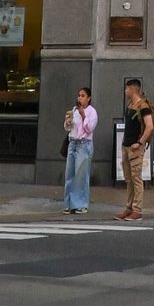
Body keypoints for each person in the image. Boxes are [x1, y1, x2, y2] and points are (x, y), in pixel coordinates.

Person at [118, 77, 154, 223]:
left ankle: (137, 210)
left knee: (136, 178)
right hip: (126, 146)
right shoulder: (130, 105)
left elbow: (150, 126)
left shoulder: (143, 106)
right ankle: (129, 208)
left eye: (127, 88)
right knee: (129, 179)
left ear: (133, 89)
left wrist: (139, 142)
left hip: (135, 148)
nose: (125, 91)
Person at [64, 85, 97, 215]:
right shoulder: (74, 110)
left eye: (83, 96)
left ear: (88, 98)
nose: (80, 98)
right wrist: (68, 122)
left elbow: (89, 128)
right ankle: (68, 203)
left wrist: (84, 116)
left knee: (81, 175)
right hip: (73, 143)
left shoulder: (91, 112)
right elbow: (68, 129)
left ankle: (81, 204)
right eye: (79, 95)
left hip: (84, 144)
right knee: (70, 174)